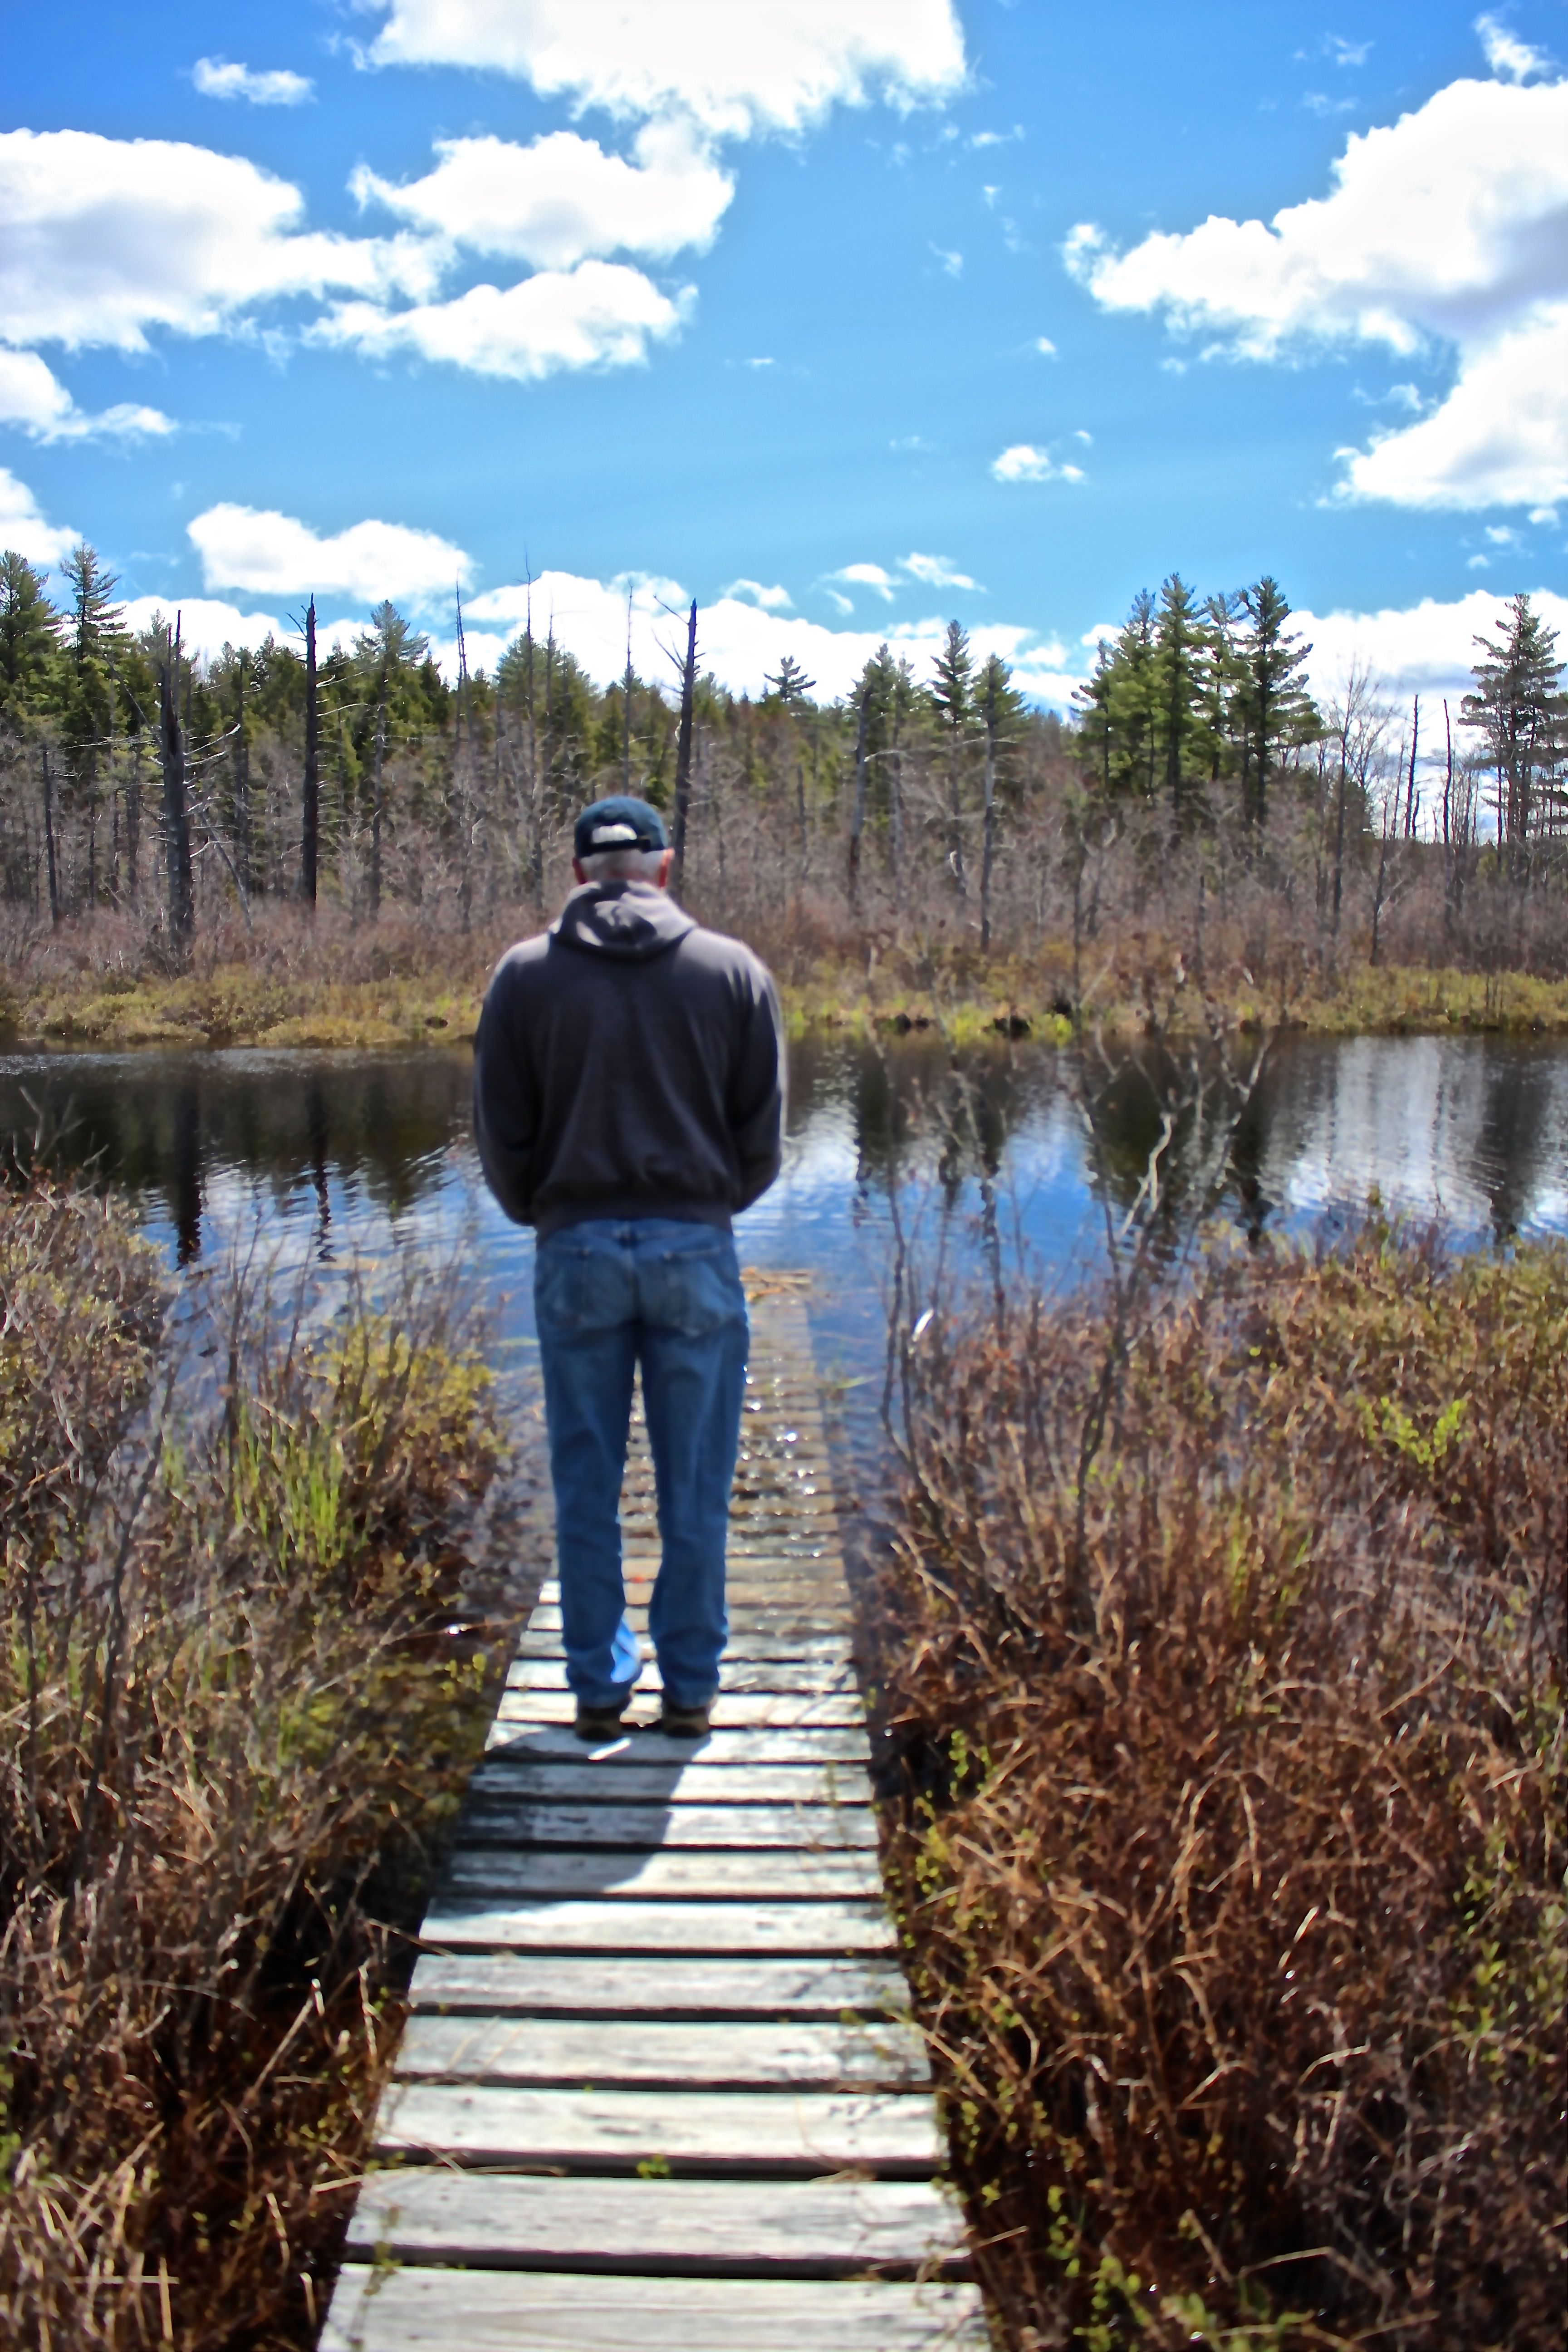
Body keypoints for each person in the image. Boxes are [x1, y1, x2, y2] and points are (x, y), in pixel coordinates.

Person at [473, 796, 784, 1742]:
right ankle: (690, 1690)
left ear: (579, 873)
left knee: (585, 1483)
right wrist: (701, 1210)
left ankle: (600, 1691)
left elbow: (502, 1137)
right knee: (695, 1485)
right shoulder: (733, 970)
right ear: (663, 865)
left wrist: (552, 1213)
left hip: (575, 1253)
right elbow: (761, 1140)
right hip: (696, 1251)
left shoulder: (522, 977)